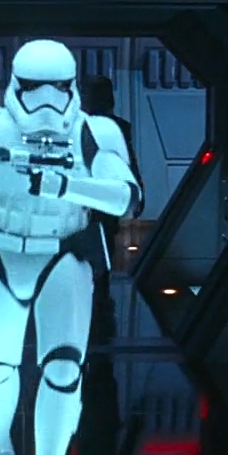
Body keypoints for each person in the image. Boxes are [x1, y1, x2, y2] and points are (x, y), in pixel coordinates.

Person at [0, 39, 141, 455]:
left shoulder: (94, 131)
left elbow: (127, 196)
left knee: (63, 368)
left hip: (64, 252)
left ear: (71, 86)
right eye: (33, 87)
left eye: (57, 88)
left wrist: (66, 185)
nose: (46, 101)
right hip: (2, 251)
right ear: (15, 84)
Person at [79, 75, 142, 342]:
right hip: (98, 198)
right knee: (102, 245)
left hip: (94, 198)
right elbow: (129, 163)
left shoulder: (81, 126)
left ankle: (96, 295)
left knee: (98, 245)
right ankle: (99, 295)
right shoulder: (117, 126)